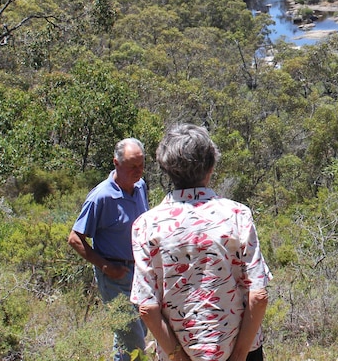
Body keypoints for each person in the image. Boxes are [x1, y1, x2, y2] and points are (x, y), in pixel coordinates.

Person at [131, 123, 271, 361]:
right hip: (242, 352)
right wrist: (238, 356)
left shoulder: (146, 225)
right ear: (211, 166)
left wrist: (179, 357)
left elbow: (148, 307)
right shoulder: (237, 216)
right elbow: (257, 297)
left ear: (167, 169)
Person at [68, 138, 149, 361]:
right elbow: (75, 238)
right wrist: (105, 266)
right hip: (114, 274)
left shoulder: (140, 187)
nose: (138, 171)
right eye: (133, 166)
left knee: (135, 333)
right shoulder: (101, 197)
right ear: (116, 163)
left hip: (140, 273)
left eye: (141, 165)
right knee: (133, 338)